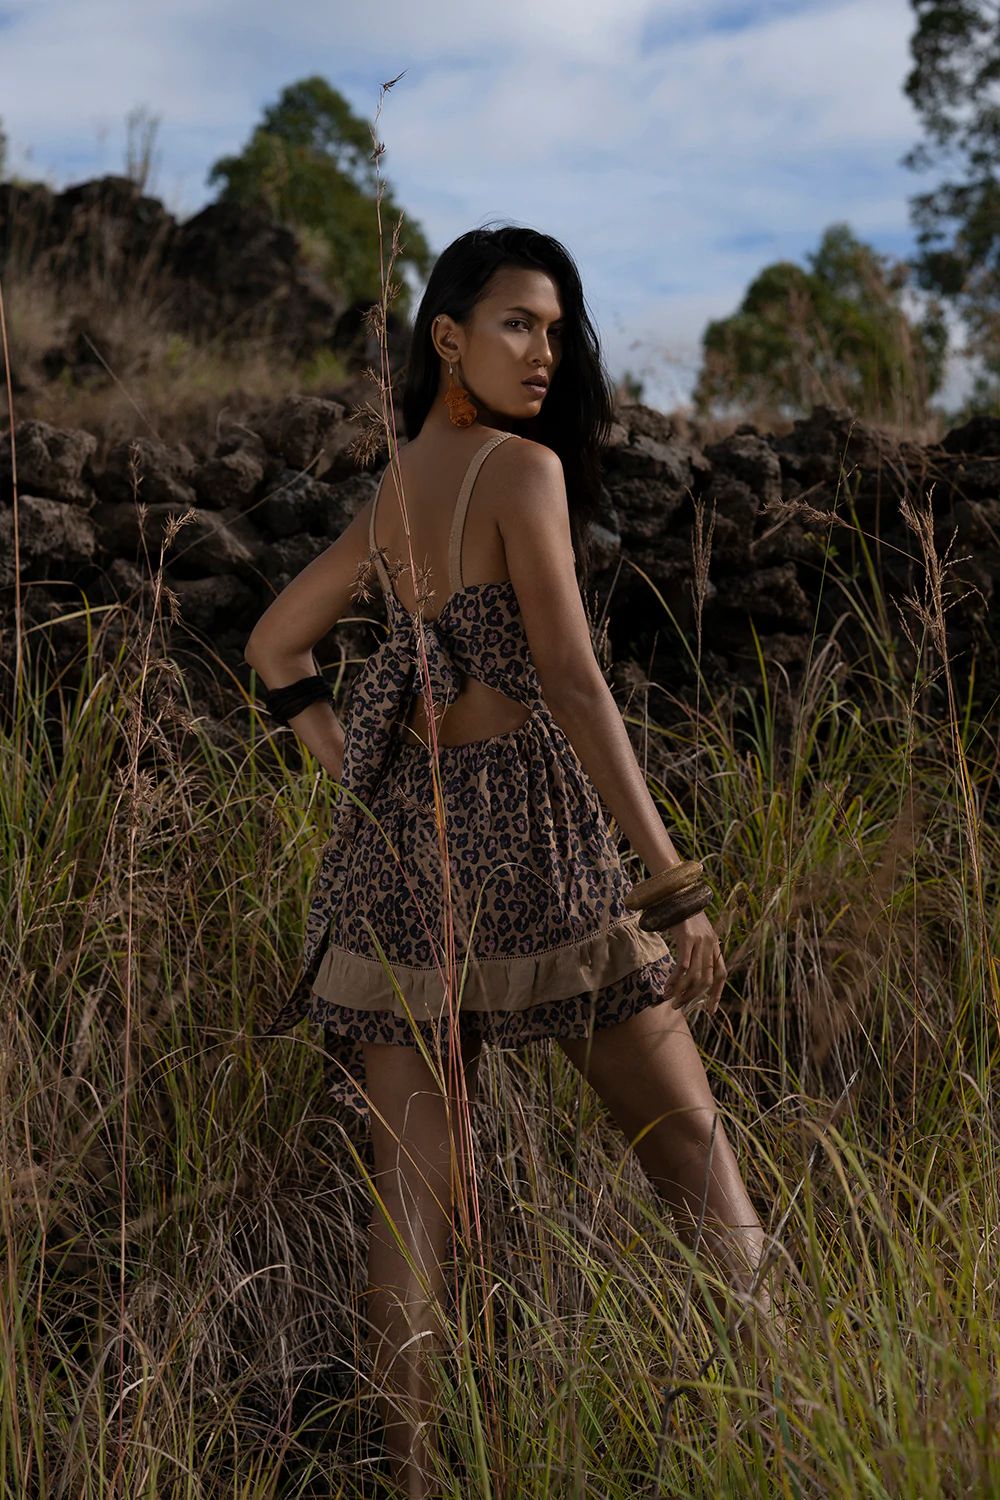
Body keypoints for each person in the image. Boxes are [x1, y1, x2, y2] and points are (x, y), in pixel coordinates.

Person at [244, 225, 777, 1496]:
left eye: (554, 328)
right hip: (533, 841)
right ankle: (786, 1419)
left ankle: (414, 1479)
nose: (545, 352)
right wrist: (672, 884)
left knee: (412, 1208)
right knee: (694, 1154)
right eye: (516, 324)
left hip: (400, 856)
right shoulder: (520, 470)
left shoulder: (398, 488)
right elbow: (575, 687)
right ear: (447, 336)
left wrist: (358, 779)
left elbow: (274, 648)